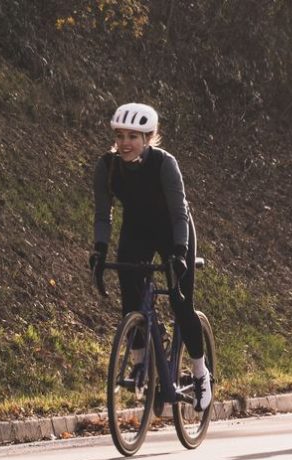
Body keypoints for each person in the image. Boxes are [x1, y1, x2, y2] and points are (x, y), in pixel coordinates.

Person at [89, 102, 211, 411]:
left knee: (180, 301)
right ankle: (142, 368)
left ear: (148, 138)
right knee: (130, 300)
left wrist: (181, 252)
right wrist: (100, 251)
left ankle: (200, 373)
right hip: (137, 230)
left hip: (172, 229)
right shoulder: (107, 166)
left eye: (133, 136)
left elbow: (179, 213)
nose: (125, 143)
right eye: (120, 136)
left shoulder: (164, 164)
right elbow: (103, 216)